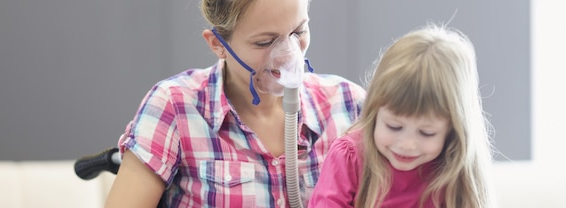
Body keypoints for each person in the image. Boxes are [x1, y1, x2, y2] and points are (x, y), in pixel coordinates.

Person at [104, 0, 366, 207]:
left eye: (299, 31)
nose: (289, 54)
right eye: (265, 42)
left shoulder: (348, 106)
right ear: (218, 44)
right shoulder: (175, 108)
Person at [308, 25, 496, 208]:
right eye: (393, 126)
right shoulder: (349, 157)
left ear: (453, 130)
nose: (407, 144)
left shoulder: (455, 171)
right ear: (374, 111)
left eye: (426, 133)